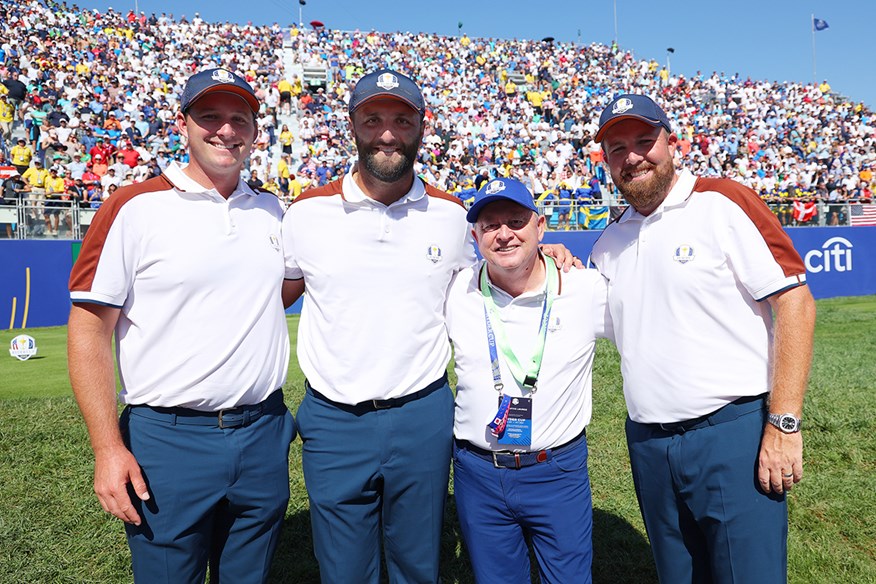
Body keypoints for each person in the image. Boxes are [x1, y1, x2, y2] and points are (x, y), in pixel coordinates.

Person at [281, 69, 575, 583]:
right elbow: (274, 297)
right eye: (374, 119)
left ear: (422, 126)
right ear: (353, 125)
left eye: (402, 119)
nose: (388, 133)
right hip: (333, 418)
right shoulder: (307, 212)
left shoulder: (449, 214)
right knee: (342, 568)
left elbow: (496, 270)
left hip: (422, 412)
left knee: (417, 563)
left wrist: (544, 252)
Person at [67, 68, 296, 584]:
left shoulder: (273, 211)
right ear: (183, 124)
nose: (226, 130)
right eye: (209, 116)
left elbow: (278, 292)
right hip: (167, 439)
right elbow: (88, 330)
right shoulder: (133, 206)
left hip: (262, 430)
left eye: (239, 118)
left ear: (256, 131)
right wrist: (107, 448)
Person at [589, 94, 816, 583]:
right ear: (605, 161)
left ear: (673, 144)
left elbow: (795, 300)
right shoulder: (609, 243)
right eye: (617, 148)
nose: (632, 156)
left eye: (645, 141)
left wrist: (784, 422)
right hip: (649, 442)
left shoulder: (722, 201)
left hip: (730, 432)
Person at [447, 177, 611, 583]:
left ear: (540, 226)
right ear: (476, 236)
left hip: (555, 468)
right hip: (478, 471)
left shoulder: (583, 288)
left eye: (516, 221)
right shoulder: (455, 289)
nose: (504, 234)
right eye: (490, 226)